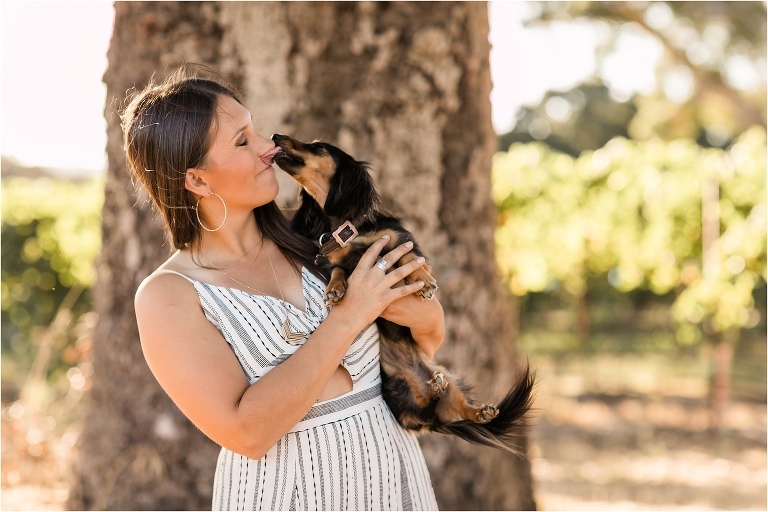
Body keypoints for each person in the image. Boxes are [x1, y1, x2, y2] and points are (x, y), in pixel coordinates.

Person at [124, 68, 443, 510]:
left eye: (255, 129)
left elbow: (426, 343)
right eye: (242, 141)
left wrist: (422, 311)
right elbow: (246, 433)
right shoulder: (169, 296)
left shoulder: (320, 241)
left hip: (396, 482)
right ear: (196, 180)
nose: (268, 147)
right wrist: (349, 315)